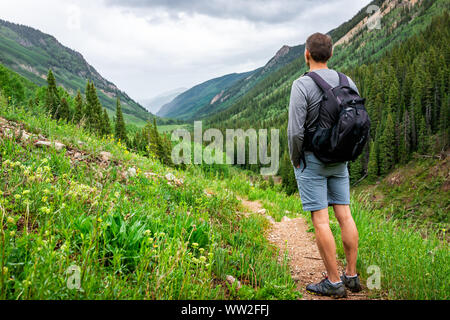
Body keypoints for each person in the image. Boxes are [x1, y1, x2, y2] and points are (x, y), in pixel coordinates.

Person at [287, 32, 362, 298]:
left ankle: (333, 281)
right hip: (340, 159)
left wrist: (296, 159)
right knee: (345, 215)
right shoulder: (347, 80)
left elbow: (295, 132)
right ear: (330, 54)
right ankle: (351, 276)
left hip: (313, 159)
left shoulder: (302, 84)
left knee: (321, 220)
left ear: (307, 54)